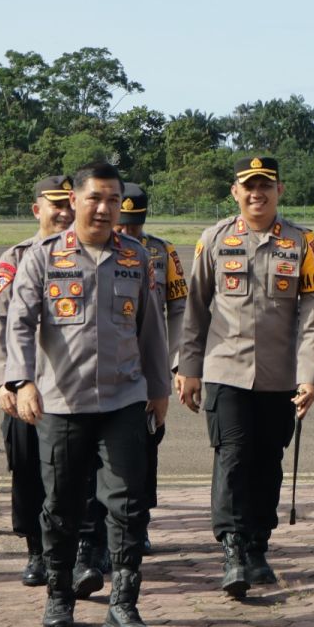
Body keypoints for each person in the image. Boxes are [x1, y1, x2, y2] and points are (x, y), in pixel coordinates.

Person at [5, 162, 169, 627]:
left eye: (112, 200)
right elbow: (19, 322)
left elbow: (151, 329)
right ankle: (59, 595)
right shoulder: (42, 256)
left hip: (124, 397)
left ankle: (124, 604)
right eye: (94, 197)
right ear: (73, 200)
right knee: (60, 504)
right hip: (62, 400)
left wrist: (158, 390)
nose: (103, 208)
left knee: (127, 504)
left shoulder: (136, 257)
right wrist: (22, 381)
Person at [177, 155, 314, 598]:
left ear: (280, 190)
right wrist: (189, 368)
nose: (257, 193)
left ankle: (259, 544)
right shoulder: (215, 239)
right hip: (225, 369)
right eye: (249, 186)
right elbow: (195, 309)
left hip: (280, 377)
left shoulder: (301, 242)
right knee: (233, 458)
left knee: (267, 462)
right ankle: (233, 549)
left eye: (266, 186)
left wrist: (310, 375)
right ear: (235, 191)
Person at [0, 175, 75, 587]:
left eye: (68, 203)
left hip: (72, 385)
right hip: (26, 384)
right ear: (36, 209)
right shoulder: (16, 257)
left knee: (75, 473)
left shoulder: (86, 253)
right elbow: (0, 323)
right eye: (54, 204)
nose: (63, 212)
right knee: (27, 469)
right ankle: (36, 551)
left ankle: (80, 549)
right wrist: (7, 381)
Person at [112, 181, 189, 553]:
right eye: (122, 224)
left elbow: (178, 308)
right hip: (112, 363)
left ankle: (139, 521)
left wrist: (174, 361)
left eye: (134, 225)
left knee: (146, 445)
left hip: (147, 365)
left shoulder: (161, 251)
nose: (127, 232)